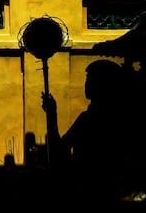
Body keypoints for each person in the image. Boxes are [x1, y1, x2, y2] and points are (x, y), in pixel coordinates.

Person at [42, 59, 131, 207]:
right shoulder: (122, 118)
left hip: (87, 192)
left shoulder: (90, 118)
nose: (86, 84)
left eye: (90, 79)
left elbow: (59, 152)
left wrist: (51, 116)